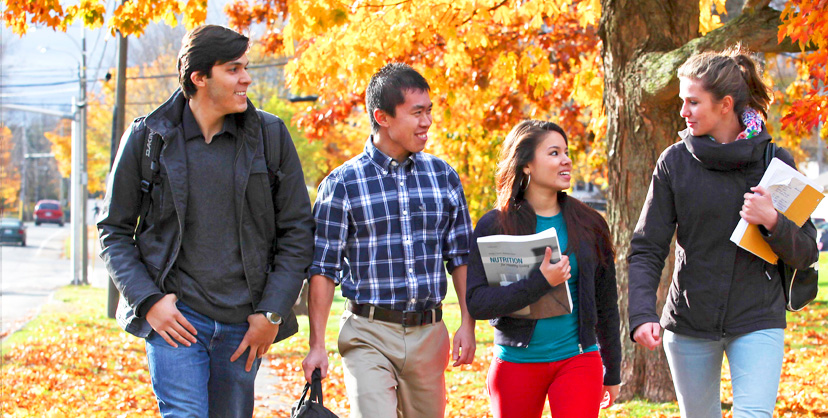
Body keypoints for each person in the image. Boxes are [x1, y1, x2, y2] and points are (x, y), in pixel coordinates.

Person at [97, 25, 314, 417]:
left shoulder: (270, 136)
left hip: (243, 326)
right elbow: (113, 230)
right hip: (177, 321)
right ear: (199, 78)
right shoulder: (149, 137)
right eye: (233, 69)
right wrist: (148, 302)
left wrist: (272, 313)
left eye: (245, 67)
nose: (246, 78)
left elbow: (297, 230)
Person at [628, 47, 818, 418]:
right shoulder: (674, 162)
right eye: (683, 101)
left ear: (725, 104)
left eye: (693, 102)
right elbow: (648, 246)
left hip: (757, 317)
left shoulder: (776, 162)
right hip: (690, 320)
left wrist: (773, 222)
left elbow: (808, 251)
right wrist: (641, 313)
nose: (683, 112)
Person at [301, 62, 476, 418]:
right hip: (367, 332)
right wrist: (316, 345)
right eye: (416, 113)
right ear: (382, 116)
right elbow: (323, 269)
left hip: (430, 334)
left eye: (429, 111)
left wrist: (468, 325)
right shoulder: (342, 184)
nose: (426, 122)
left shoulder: (443, 177)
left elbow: (460, 256)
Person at [465, 120, 622, 418]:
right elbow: (478, 303)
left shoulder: (591, 224)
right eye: (553, 153)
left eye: (566, 151)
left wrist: (612, 371)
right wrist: (540, 281)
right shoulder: (495, 225)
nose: (566, 160)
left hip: (578, 359)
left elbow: (606, 304)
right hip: (514, 361)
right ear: (526, 165)